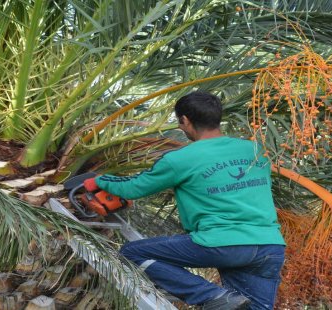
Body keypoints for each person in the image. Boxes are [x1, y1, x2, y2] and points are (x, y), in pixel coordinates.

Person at [83, 91, 286, 310]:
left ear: (185, 120)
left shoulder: (180, 159)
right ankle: (219, 299)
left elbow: (134, 188)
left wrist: (100, 180)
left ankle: (211, 296)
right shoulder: (255, 150)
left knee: (132, 253)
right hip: (270, 246)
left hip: (222, 243)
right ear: (217, 117)